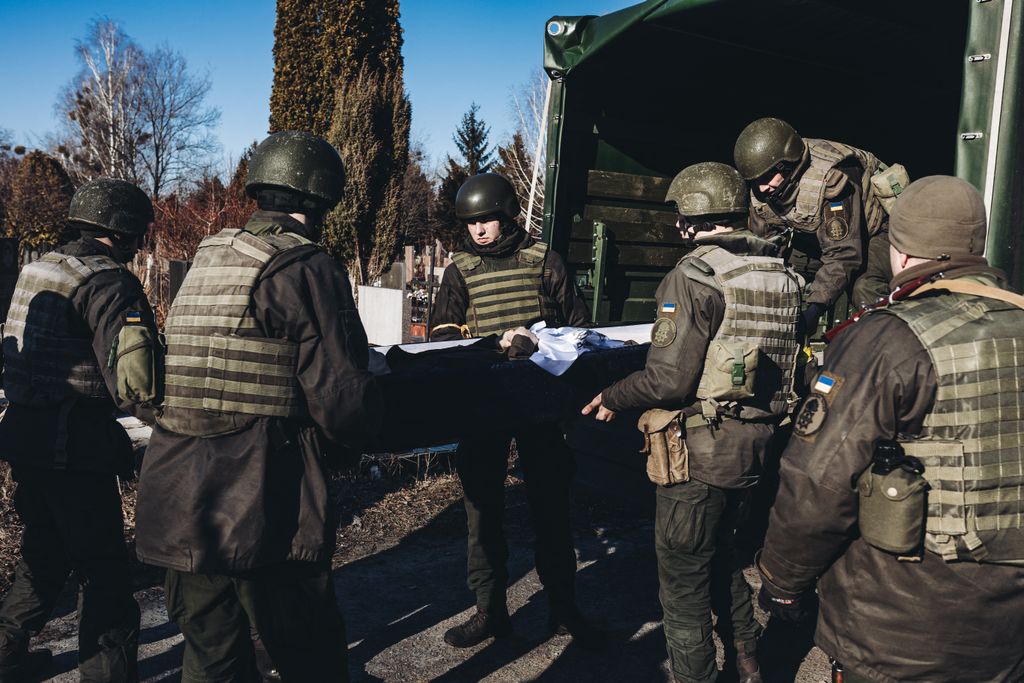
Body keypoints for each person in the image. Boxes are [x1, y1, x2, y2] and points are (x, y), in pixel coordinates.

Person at [134, 130, 382, 682]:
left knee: (213, 657)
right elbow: (341, 396)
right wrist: (365, 440)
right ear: (322, 197)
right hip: (262, 496)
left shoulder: (209, 254)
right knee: (306, 651)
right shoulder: (307, 266)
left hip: (177, 493)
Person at [757, 176, 1024, 682]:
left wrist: (782, 578)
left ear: (900, 253)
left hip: (903, 631)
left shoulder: (889, 339)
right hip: (1009, 635)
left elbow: (818, 484)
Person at [583, 162, 803, 683]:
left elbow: (667, 382)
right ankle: (749, 662)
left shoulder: (694, 275)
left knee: (681, 584)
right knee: (721, 555)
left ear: (688, 219)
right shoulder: (785, 274)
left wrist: (614, 394)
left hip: (700, 452)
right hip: (761, 448)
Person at [430, 172, 601, 649]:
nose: (479, 231)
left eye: (487, 220)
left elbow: (580, 331)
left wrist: (538, 340)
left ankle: (564, 610)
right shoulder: (459, 270)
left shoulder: (543, 261)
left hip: (540, 405)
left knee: (551, 507)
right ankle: (490, 611)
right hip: (483, 405)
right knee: (482, 510)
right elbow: (441, 340)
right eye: (471, 223)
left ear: (507, 216)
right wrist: (491, 344)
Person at [0, 178, 160, 682]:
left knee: (44, 557)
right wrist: (180, 424)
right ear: (126, 232)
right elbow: (136, 383)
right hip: (74, 448)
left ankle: (4, 655)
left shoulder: (39, 268)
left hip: (25, 437)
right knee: (105, 574)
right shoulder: (109, 282)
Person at [733, 117, 896, 332]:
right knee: (785, 276)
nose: (762, 188)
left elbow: (844, 253)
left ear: (788, 165)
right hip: (814, 232)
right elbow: (764, 249)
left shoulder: (833, 177)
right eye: (755, 181)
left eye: (767, 178)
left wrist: (814, 309)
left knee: (864, 287)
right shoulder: (763, 187)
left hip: (874, 230)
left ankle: (883, 341)